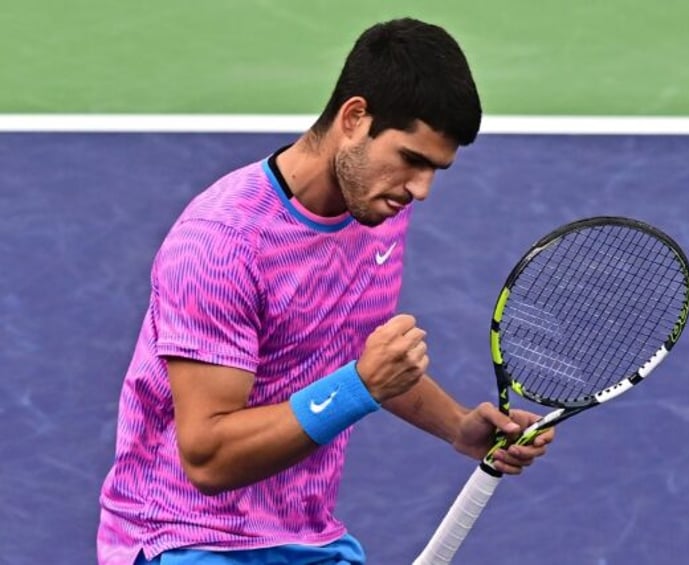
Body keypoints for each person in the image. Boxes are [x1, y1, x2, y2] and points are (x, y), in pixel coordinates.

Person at [97, 17, 554, 565]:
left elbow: (356, 355)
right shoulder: (221, 244)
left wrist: (458, 425)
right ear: (354, 118)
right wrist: (359, 387)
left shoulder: (379, 213)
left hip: (308, 539)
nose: (421, 190)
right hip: (186, 539)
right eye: (411, 159)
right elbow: (209, 459)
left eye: (436, 169)